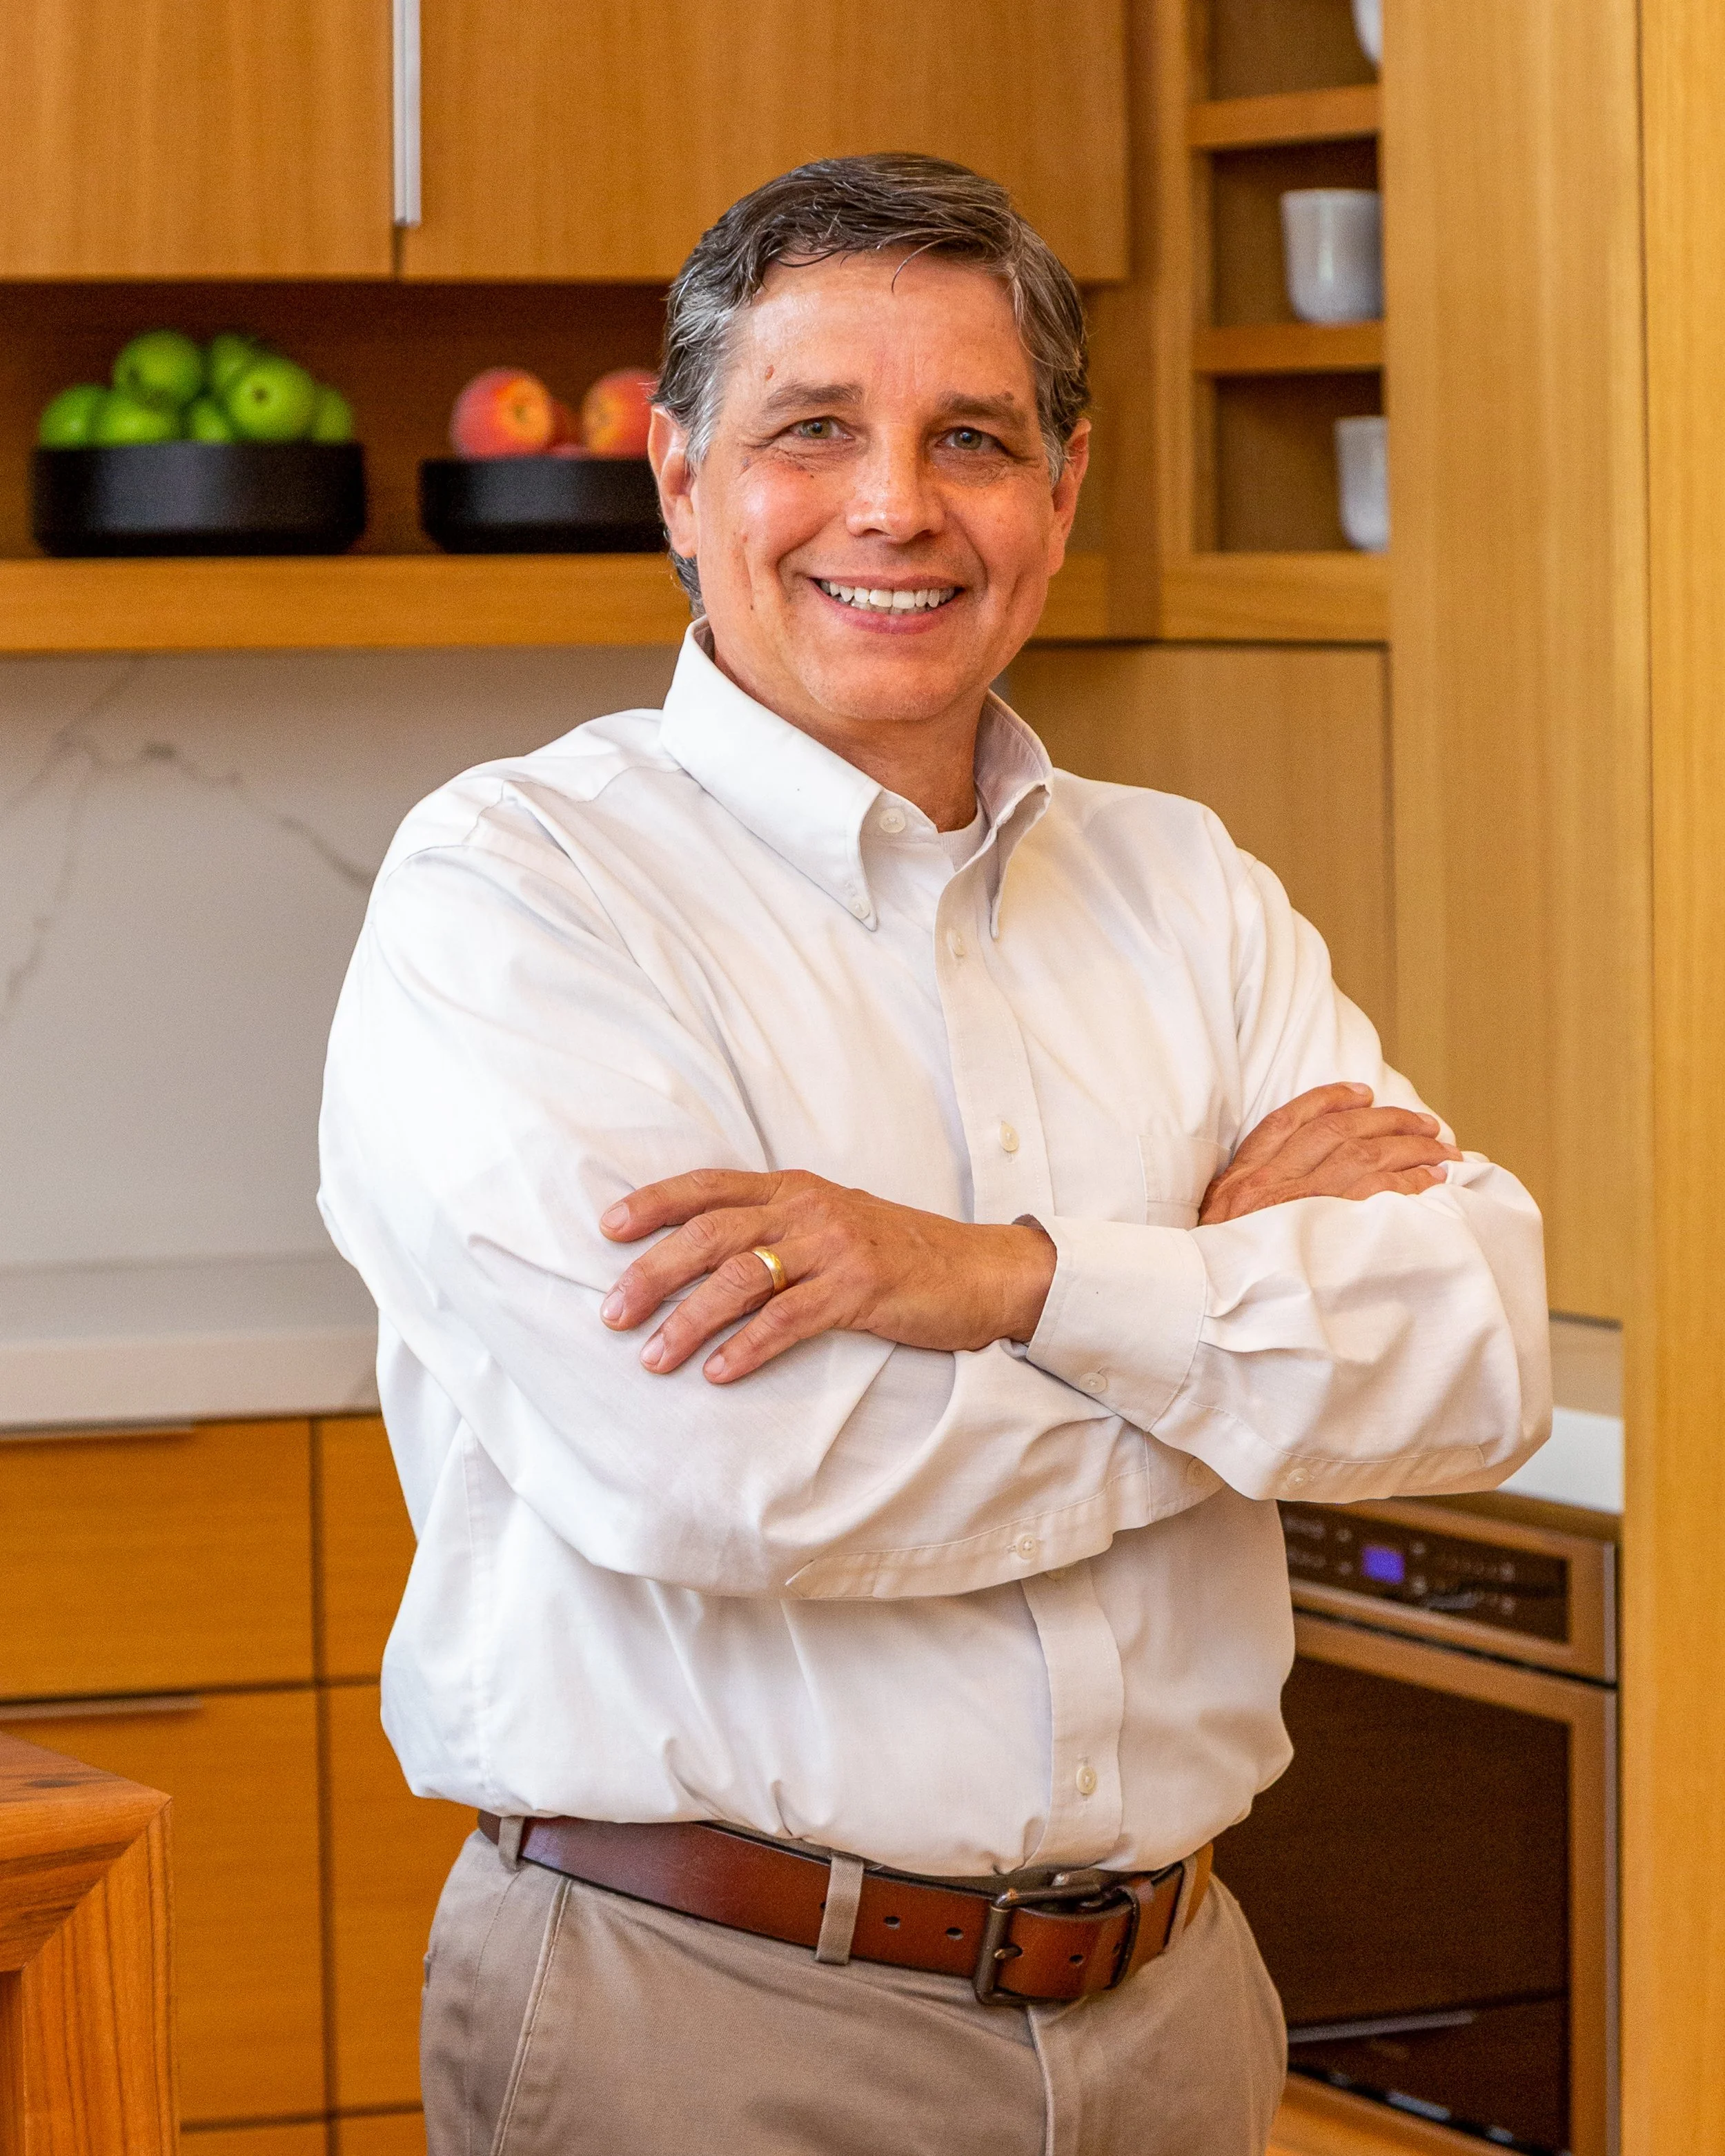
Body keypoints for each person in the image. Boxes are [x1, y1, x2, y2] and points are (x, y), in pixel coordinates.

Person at [318, 153, 1550, 2156]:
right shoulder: (521, 889)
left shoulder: (1186, 885)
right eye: (814, 430)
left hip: (1176, 2012)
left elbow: (1479, 1343)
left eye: (968, 437)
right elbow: (724, 1469)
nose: (894, 504)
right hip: (707, 2022)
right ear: (680, 478)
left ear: (1059, 492)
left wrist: (1010, 1281)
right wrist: (1222, 1334)